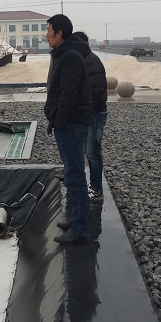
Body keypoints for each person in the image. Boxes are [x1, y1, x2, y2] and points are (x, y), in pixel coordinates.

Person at [44, 15, 93, 244]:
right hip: (68, 123)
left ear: (59, 33)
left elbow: (69, 94)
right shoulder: (64, 54)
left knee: (75, 176)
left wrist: (59, 121)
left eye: (49, 30)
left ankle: (81, 229)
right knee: (72, 174)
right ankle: (76, 219)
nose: (46, 35)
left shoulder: (70, 56)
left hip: (72, 125)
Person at [75, 31, 108, 202]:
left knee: (93, 152)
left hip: (94, 114)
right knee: (84, 151)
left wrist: (84, 113)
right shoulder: (84, 60)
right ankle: (88, 185)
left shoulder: (91, 62)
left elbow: (96, 92)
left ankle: (96, 189)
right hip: (88, 113)